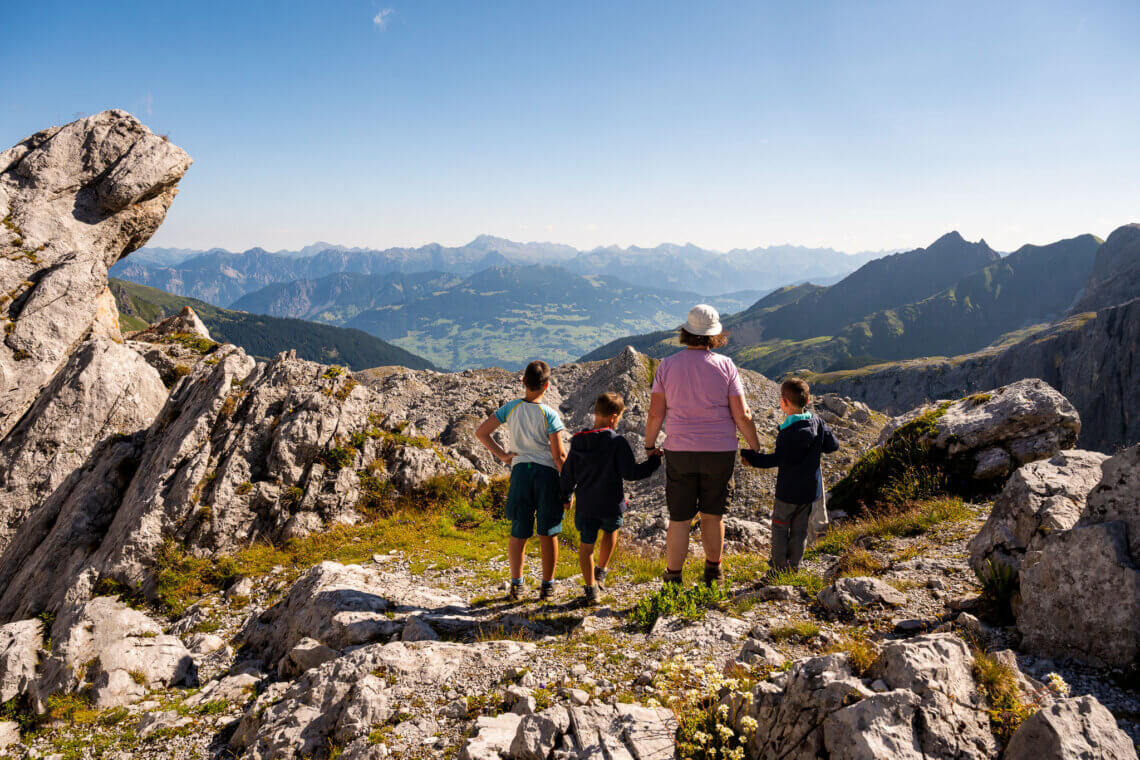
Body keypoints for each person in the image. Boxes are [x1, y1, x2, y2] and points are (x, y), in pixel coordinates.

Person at [645, 304, 761, 585]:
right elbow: (742, 414)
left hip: (680, 451)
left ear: (686, 332)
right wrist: (754, 447)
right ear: (714, 336)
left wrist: (650, 446)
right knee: (712, 515)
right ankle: (714, 572)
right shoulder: (725, 366)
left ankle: (673, 578)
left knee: (680, 519)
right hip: (719, 452)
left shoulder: (667, 366)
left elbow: (655, 413)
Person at [475, 360, 567, 601]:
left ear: (523, 381)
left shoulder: (511, 408)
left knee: (519, 531)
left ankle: (517, 584)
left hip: (520, 474)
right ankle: (547, 585)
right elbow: (559, 456)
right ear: (547, 386)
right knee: (549, 532)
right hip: (546, 475)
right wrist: (568, 487)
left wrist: (504, 456)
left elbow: (481, 432)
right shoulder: (549, 414)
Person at [559, 392, 662, 605]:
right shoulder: (617, 442)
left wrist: (566, 495)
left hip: (586, 505)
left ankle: (590, 590)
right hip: (611, 504)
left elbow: (568, 473)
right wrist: (654, 462)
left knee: (586, 547)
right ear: (614, 417)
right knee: (611, 532)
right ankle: (602, 572)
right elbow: (631, 473)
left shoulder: (578, 441)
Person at [741, 377, 840, 572]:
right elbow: (833, 446)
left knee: (780, 527)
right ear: (808, 401)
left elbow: (776, 460)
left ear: (784, 402)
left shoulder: (788, 431)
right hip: (810, 491)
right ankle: (794, 566)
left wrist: (751, 458)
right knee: (800, 530)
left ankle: (778, 568)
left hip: (787, 492)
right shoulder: (818, 422)